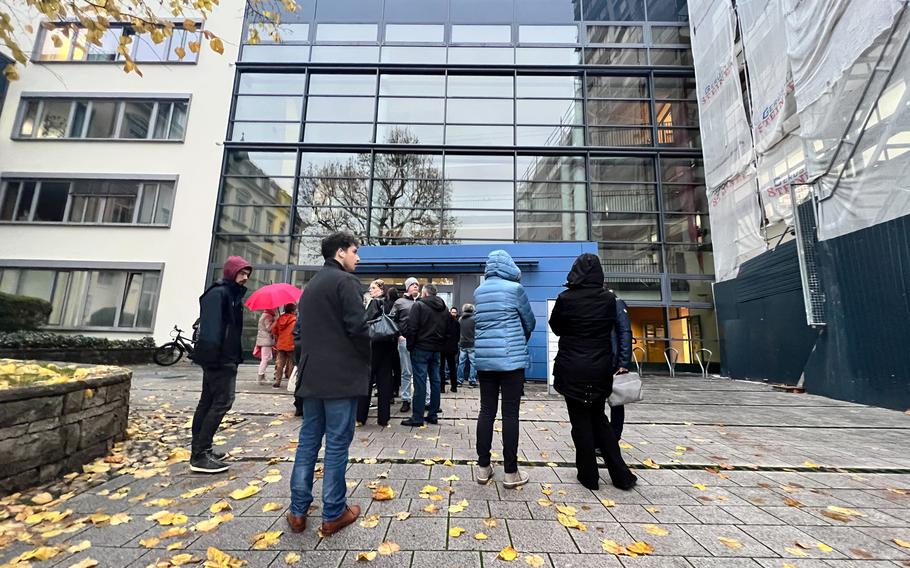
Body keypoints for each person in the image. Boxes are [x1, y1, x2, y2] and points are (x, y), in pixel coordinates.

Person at [288, 232, 369, 537]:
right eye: (354, 251)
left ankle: (298, 513)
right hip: (339, 378)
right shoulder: (345, 282)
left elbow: (299, 334)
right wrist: (364, 359)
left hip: (312, 378)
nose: (358, 257)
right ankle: (333, 513)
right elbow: (358, 329)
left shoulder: (309, 287)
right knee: (336, 445)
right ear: (340, 253)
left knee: (308, 443)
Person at [548, 253, 637, 492]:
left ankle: (588, 475)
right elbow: (612, 326)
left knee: (580, 423)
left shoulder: (565, 298)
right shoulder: (609, 299)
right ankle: (621, 475)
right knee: (600, 420)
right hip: (599, 368)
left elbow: (555, 326)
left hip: (572, 367)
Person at [473, 250, 535, 488]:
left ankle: (483, 467)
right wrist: (520, 338)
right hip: (511, 362)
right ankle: (511, 472)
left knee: (486, 411)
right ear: (509, 266)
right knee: (510, 414)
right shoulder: (515, 290)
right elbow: (529, 321)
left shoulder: (479, 291)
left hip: (485, 362)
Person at [189, 255, 251, 474]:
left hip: (223, 356)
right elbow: (213, 329)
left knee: (208, 402)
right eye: (242, 273)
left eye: (247, 274)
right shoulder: (219, 294)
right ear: (231, 272)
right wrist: (217, 357)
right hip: (219, 358)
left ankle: (201, 449)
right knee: (222, 401)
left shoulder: (230, 294)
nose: (245, 278)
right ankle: (200, 454)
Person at [402, 284, 449, 427]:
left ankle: (417, 417)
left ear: (425, 293)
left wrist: (410, 345)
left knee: (420, 382)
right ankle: (433, 414)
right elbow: (448, 328)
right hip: (436, 349)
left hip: (421, 348)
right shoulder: (444, 308)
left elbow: (412, 327)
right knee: (435, 381)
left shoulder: (419, 306)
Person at [357, 279, 397, 427]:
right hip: (388, 345)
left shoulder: (374, 303)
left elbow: (366, 321)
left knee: (367, 380)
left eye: (373, 288)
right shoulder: (391, 304)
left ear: (380, 290)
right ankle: (384, 418)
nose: (370, 290)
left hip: (374, 345)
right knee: (385, 382)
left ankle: (361, 416)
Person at [392, 277, 420, 413]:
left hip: (420, 342)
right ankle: (406, 399)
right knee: (406, 372)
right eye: (413, 284)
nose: (415, 286)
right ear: (407, 287)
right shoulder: (399, 302)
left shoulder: (422, 302)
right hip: (404, 340)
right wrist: (399, 335)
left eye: (417, 284)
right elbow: (392, 320)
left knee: (421, 372)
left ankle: (423, 400)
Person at [609, 296, 633, 441]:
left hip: (614, 361)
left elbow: (625, 332)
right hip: (602, 360)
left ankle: (614, 437)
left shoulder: (616, 303)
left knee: (617, 402)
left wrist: (623, 363)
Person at [271, 303, 297, 388]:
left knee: (280, 364)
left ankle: (277, 381)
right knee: (291, 364)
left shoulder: (280, 319)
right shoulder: (295, 320)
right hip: (291, 345)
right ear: (293, 311)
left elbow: (274, 331)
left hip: (281, 344)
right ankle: (290, 381)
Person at [439, 306, 461, 394]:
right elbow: (458, 336)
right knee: (452, 367)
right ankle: (454, 387)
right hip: (452, 348)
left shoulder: (441, 322)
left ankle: (442, 387)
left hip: (442, 347)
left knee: (441, 367)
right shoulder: (456, 322)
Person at [457, 303, 477, 388]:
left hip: (462, 344)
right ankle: (472, 380)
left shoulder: (460, 319)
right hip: (472, 344)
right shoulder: (474, 319)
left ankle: (459, 380)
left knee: (461, 363)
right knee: (473, 363)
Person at [255, 309, 277, 385]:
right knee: (265, 359)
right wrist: (275, 322)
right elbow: (269, 328)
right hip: (266, 340)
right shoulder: (267, 316)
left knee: (267, 357)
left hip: (264, 339)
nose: (275, 310)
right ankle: (260, 377)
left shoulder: (265, 315)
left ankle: (262, 375)